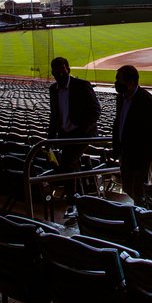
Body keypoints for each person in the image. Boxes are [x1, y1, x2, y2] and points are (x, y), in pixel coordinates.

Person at [48, 56, 101, 219]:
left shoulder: (82, 86)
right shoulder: (53, 89)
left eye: (62, 72)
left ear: (68, 70)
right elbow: (54, 115)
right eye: (56, 74)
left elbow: (95, 110)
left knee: (68, 162)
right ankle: (79, 199)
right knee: (71, 164)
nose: (60, 77)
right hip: (65, 136)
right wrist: (49, 139)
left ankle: (72, 203)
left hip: (82, 135)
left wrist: (83, 130)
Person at [111, 65, 152, 207]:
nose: (116, 84)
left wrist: (148, 158)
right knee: (128, 187)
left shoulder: (148, 101)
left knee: (139, 191)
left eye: (119, 81)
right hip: (125, 154)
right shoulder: (120, 98)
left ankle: (145, 218)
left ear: (131, 82)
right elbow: (119, 122)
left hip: (141, 157)